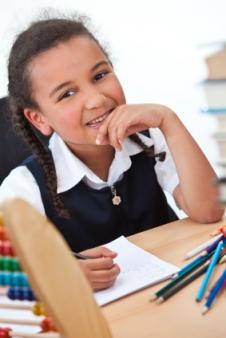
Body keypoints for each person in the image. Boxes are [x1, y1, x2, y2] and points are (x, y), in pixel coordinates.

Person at [0, 15, 224, 291]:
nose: (95, 99)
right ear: (39, 119)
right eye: (67, 94)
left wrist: (170, 121)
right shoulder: (24, 186)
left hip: (175, 289)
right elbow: (5, 274)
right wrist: (57, 275)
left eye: (100, 75)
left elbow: (210, 210)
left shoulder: (148, 139)